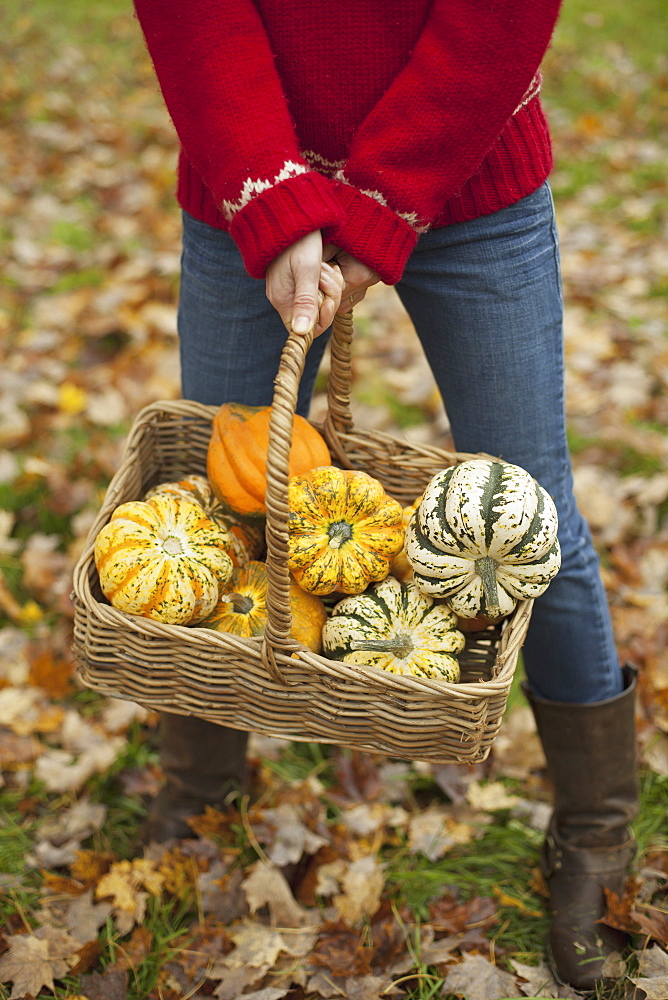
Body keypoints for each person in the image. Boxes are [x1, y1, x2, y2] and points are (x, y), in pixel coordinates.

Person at [132, 1, 639, 990]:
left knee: (530, 511)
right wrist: (271, 197)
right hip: (247, 166)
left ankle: (595, 825)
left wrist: (380, 201)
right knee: (215, 506)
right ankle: (198, 790)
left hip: (468, 169)